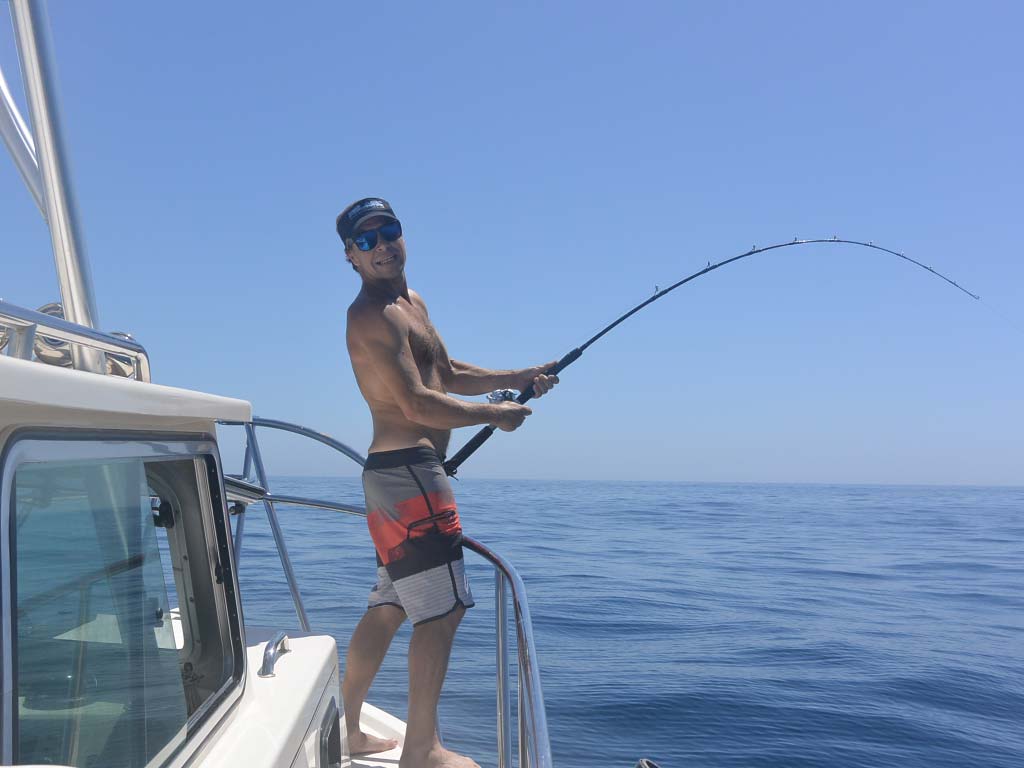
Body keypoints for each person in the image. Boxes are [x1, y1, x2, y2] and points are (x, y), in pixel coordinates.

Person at [336, 197, 558, 768]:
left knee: (391, 604)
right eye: (367, 240)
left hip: (396, 479)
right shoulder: (371, 315)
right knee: (442, 612)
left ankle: (350, 727)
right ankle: (422, 750)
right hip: (411, 474)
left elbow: (447, 371)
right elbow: (413, 403)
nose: (381, 244)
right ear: (351, 257)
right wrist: (493, 414)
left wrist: (520, 376)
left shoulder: (412, 304)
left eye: (389, 231)